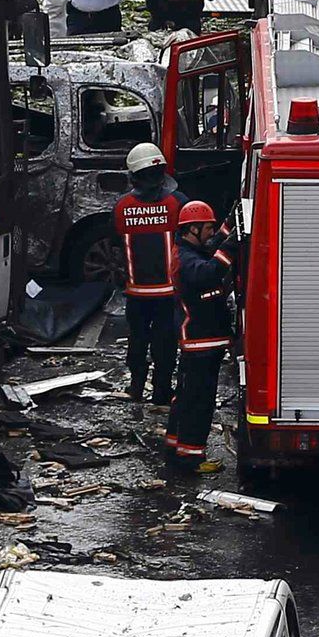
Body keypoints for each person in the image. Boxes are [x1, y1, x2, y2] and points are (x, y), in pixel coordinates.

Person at [112, 142, 184, 418]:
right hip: (168, 294)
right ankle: (162, 392)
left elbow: (115, 242)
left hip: (136, 294)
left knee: (138, 341)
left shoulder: (121, 207)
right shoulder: (178, 203)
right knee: (165, 345)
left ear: (133, 175)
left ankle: (136, 387)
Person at [163, 201, 234, 475]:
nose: (211, 231)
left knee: (186, 397)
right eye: (207, 227)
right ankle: (190, 459)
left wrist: (231, 225)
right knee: (198, 401)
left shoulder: (190, 249)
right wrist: (232, 248)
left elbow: (213, 243)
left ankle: (175, 448)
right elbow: (210, 272)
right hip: (200, 341)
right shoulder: (186, 259)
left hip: (202, 341)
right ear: (193, 229)